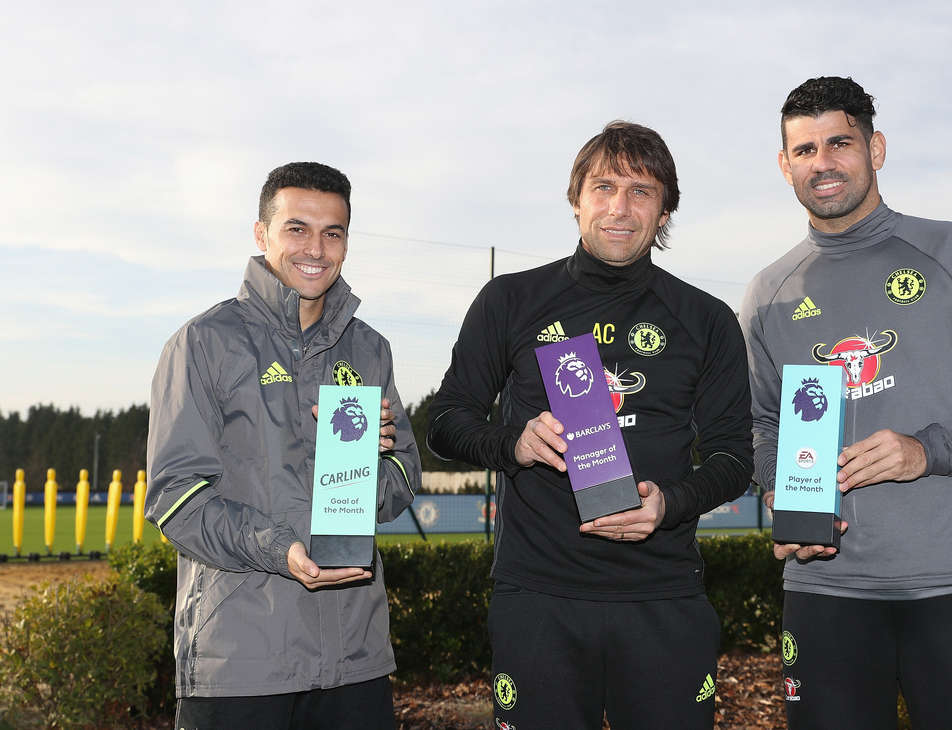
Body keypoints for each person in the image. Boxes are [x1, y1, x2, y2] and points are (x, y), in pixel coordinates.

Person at [740, 77, 952, 730]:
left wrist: (929, 450)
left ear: (877, 148)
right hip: (824, 588)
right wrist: (782, 489)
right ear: (785, 165)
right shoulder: (768, 292)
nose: (824, 162)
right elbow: (759, 423)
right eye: (805, 149)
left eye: (840, 142)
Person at [427, 121, 753, 730]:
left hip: (663, 597)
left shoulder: (707, 319)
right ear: (576, 199)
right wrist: (513, 442)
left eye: (641, 191)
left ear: (665, 212)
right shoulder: (510, 301)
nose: (620, 208)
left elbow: (736, 456)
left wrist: (672, 502)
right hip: (539, 599)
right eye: (603, 188)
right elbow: (445, 423)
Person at [146, 162, 421, 730]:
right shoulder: (203, 343)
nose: (315, 248)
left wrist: (362, 466)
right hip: (240, 661)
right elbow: (175, 498)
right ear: (261, 234)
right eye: (297, 228)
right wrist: (280, 549)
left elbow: (403, 474)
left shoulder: (369, 350)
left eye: (333, 232)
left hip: (355, 657)